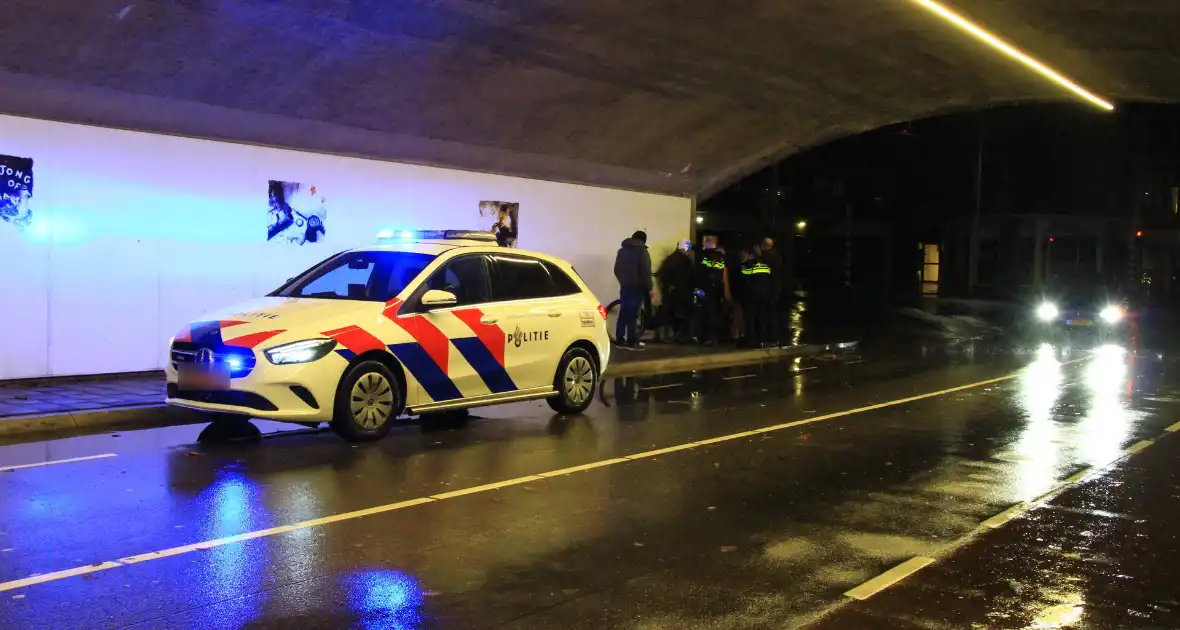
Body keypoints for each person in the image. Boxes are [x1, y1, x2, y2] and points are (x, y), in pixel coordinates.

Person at [613, 230, 652, 348]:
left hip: (625, 287)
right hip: (637, 288)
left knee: (624, 313)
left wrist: (623, 281)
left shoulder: (622, 251)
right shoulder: (642, 252)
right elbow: (645, 271)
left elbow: (616, 269)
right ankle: (631, 341)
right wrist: (649, 288)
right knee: (633, 314)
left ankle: (619, 339)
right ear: (643, 240)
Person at [657, 240, 696, 343]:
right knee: (682, 314)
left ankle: (676, 336)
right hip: (681, 292)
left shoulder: (670, 258)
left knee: (674, 314)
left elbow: (662, 275)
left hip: (672, 292)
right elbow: (689, 277)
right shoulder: (684, 261)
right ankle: (683, 337)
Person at [696, 236, 730, 345]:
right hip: (718, 290)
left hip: (708, 290)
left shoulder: (706, 257)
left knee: (708, 314)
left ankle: (708, 338)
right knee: (716, 313)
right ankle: (716, 338)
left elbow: (702, 274)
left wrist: (699, 290)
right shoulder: (722, 257)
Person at [741, 244, 774, 348]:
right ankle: (761, 339)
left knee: (750, 318)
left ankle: (750, 340)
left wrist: (744, 262)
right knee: (761, 317)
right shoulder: (766, 266)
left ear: (751, 255)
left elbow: (743, 274)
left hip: (752, 295)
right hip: (763, 295)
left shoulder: (749, 265)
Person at [760, 236, 784, 345]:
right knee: (772, 314)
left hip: (768, 289)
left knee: (768, 314)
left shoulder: (767, 257)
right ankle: (774, 338)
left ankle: (769, 338)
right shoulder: (776, 256)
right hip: (774, 289)